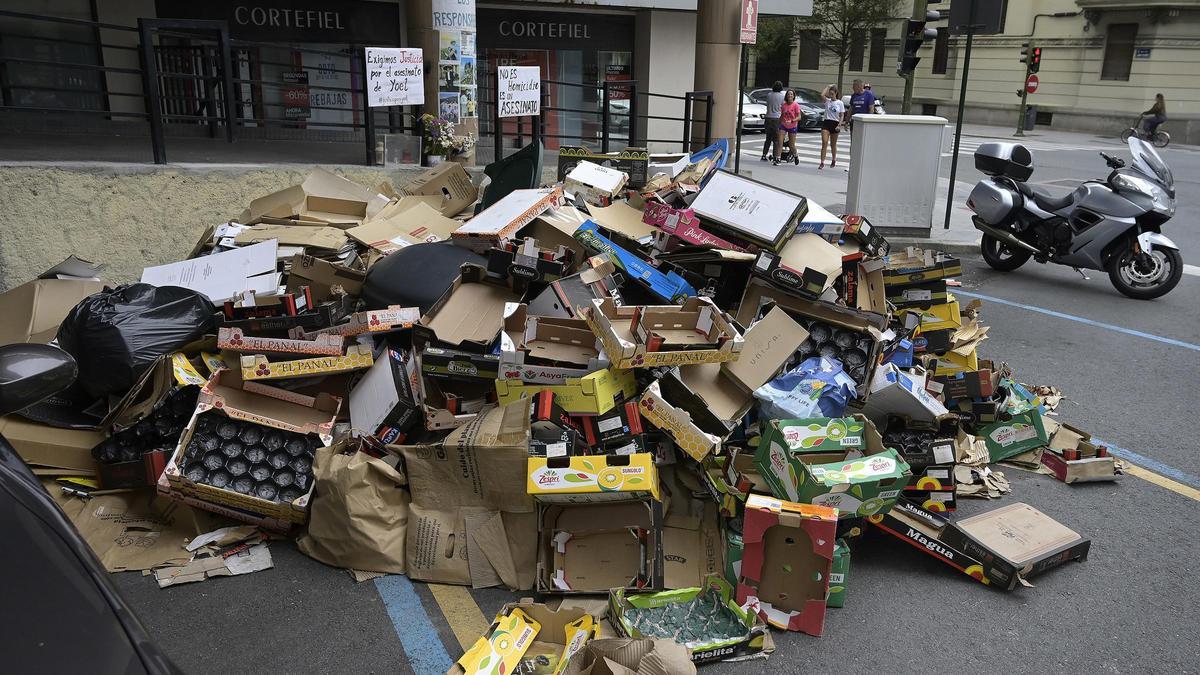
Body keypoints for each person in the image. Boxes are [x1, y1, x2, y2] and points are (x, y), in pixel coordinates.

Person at [819, 85, 844, 170]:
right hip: (826, 122)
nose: (831, 95)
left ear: (836, 93)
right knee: (824, 142)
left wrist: (839, 125)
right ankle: (822, 162)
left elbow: (841, 115)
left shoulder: (840, 103)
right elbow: (822, 95)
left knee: (833, 144)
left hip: (835, 123)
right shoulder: (827, 101)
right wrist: (828, 87)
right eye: (830, 93)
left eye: (832, 94)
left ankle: (833, 159)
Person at [761, 81, 785, 162]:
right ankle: (775, 156)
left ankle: (764, 155)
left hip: (768, 117)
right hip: (777, 118)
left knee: (768, 138)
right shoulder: (782, 97)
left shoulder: (769, 95)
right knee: (776, 139)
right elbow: (783, 107)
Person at [779, 90, 802, 166]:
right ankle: (778, 158)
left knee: (791, 145)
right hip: (783, 125)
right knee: (780, 142)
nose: (790, 95)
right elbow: (782, 115)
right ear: (786, 96)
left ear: (793, 96)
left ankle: (795, 155)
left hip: (792, 126)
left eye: (791, 94)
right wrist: (779, 122)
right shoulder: (784, 105)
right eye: (789, 94)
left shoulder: (796, 105)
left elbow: (799, 117)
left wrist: (792, 120)